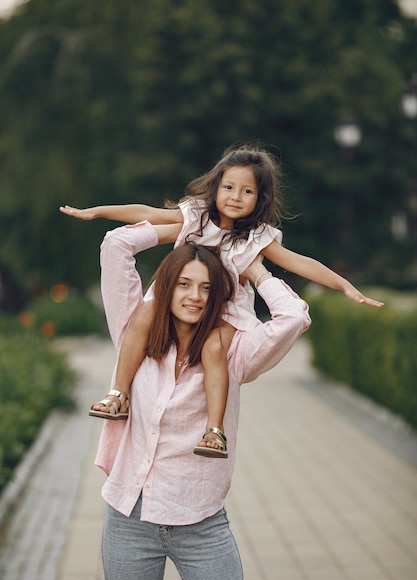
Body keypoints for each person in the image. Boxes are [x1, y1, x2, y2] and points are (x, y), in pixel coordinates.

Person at [60, 144, 383, 458]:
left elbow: (299, 262)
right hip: (177, 296)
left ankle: (214, 430)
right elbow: (146, 213)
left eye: (247, 191)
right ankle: (119, 394)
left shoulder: (258, 237)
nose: (235, 197)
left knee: (214, 351)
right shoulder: (195, 217)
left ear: (260, 198)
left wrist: (344, 286)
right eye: (229, 187)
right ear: (215, 187)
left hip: (226, 309)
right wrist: (98, 211)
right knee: (144, 316)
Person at [93, 218, 311, 580]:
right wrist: (186, 228)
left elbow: (293, 317)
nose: (195, 297)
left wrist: (257, 270)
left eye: (207, 288)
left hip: (200, 521)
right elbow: (116, 244)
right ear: (167, 286)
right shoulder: (134, 332)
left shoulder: (235, 354)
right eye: (184, 284)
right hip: (128, 517)